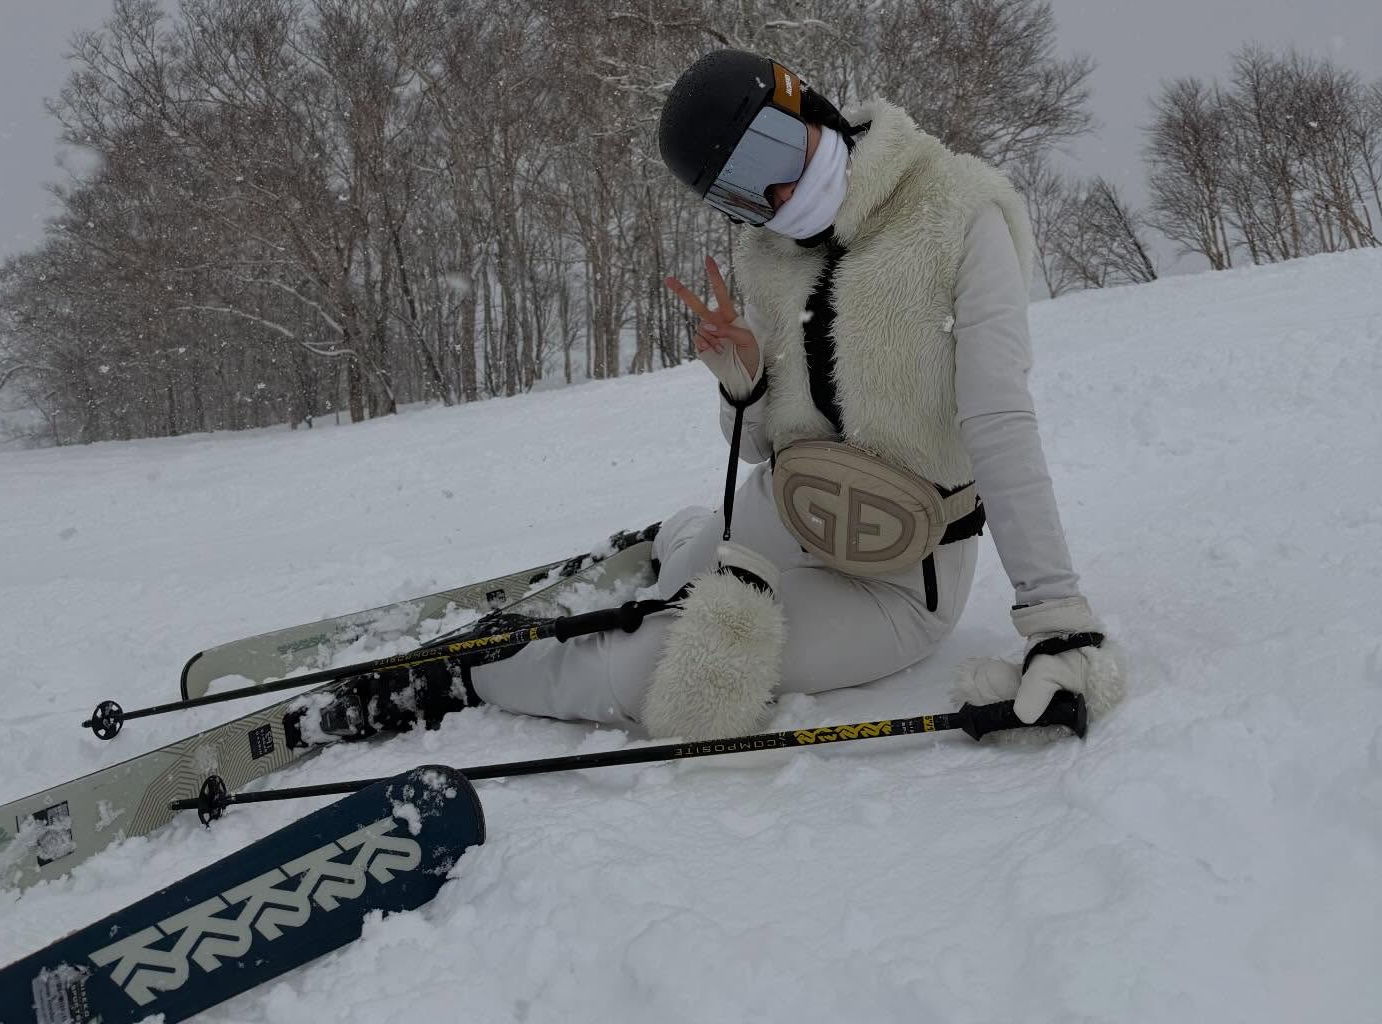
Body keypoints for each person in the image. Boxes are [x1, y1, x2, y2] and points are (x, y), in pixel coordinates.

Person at [414, 50, 1124, 741]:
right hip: (776, 513)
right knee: (684, 582)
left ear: (809, 108)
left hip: (897, 576)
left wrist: (1056, 617)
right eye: (740, 192)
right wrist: (743, 383)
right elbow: (755, 446)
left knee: (663, 668)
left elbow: (998, 418)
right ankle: (677, 540)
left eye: (768, 157)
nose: (775, 197)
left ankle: (469, 676)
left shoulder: (960, 211)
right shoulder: (768, 254)